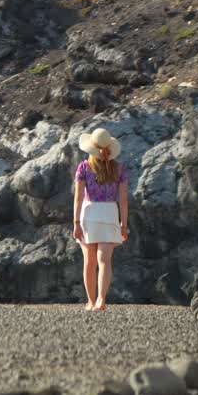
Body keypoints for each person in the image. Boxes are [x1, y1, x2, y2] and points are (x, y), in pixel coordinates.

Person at [72, 128, 129, 311]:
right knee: (105, 260)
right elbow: (123, 200)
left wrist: (75, 222)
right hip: (110, 214)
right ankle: (101, 300)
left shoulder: (83, 167)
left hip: (89, 214)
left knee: (89, 261)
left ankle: (90, 301)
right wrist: (124, 224)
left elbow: (79, 197)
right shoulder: (119, 168)